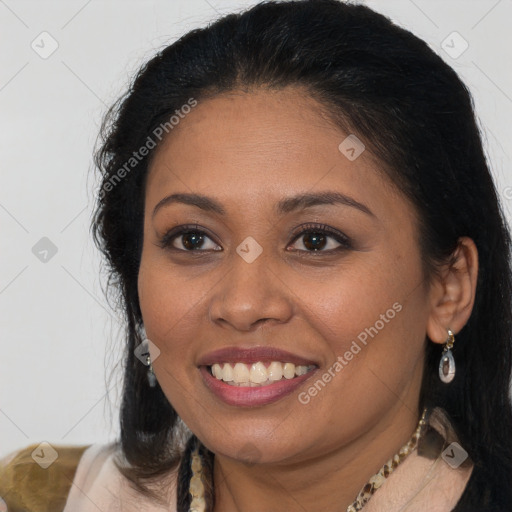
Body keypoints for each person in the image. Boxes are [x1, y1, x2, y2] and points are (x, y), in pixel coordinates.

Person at [1, 0, 511, 510]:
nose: (243, 305)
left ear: (449, 288)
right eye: (193, 239)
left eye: (316, 241)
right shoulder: (40, 497)